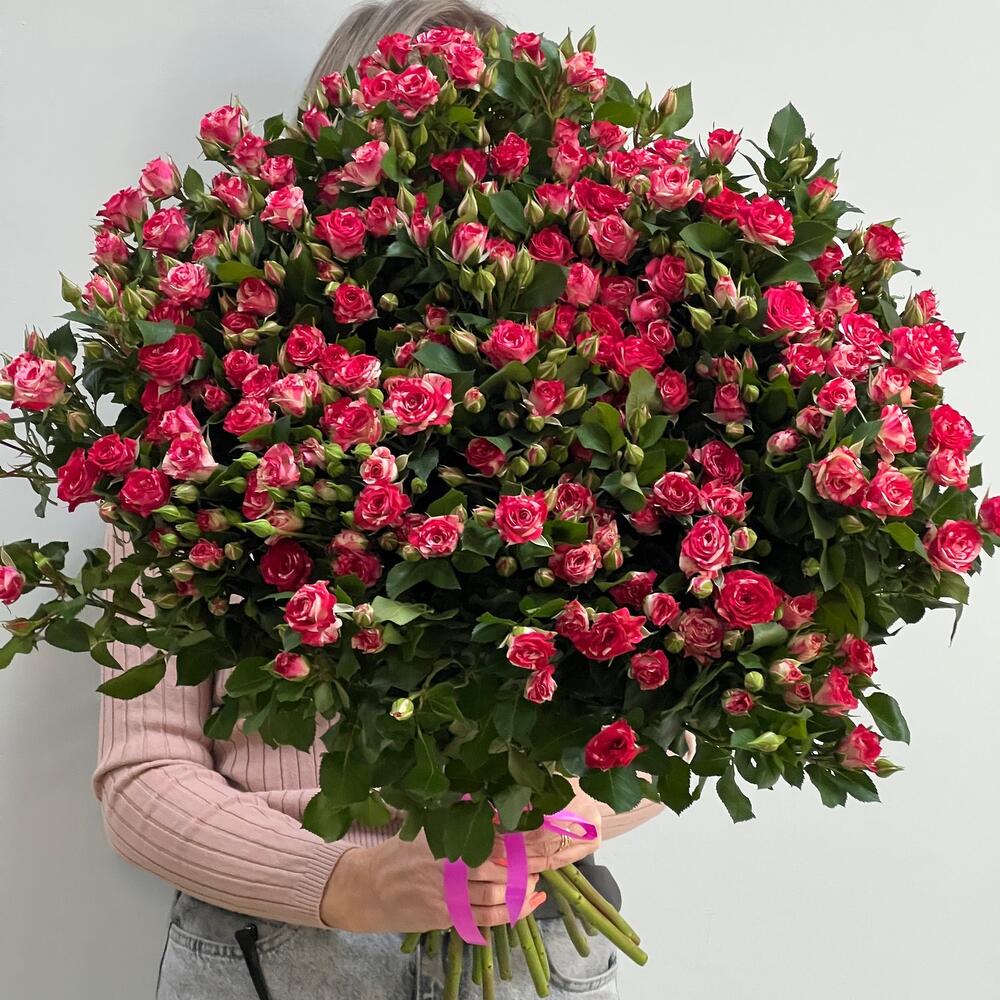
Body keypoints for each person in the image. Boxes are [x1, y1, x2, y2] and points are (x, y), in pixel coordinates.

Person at [92, 3, 693, 997]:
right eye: (405, 139)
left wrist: (564, 817)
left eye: (483, 142)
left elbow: (669, 715)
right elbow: (141, 774)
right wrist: (346, 883)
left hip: (538, 932)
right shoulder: (191, 436)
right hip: (283, 953)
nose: (445, 186)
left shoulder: (600, 418)